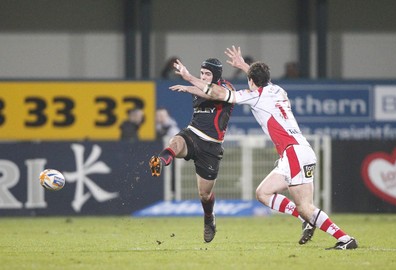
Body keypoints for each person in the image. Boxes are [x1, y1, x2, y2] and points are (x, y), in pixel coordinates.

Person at [169, 46, 358, 250]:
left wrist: (189, 78)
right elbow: (260, 79)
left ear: (251, 81)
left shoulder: (255, 95)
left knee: (306, 207)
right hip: (299, 151)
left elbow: (218, 93)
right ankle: (308, 221)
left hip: (294, 152)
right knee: (263, 193)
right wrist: (243, 65)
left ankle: (345, 239)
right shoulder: (278, 90)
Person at [149, 58, 236, 243]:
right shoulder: (198, 86)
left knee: (204, 194)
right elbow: (202, 91)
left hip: (211, 146)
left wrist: (188, 82)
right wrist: (191, 83)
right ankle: (160, 161)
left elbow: (215, 95)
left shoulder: (227, 88)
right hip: (193, 134)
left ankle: (209, 218)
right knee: (176, 142)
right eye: (201, 73)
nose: (203, 76)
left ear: (217, 76)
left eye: (207, 74)